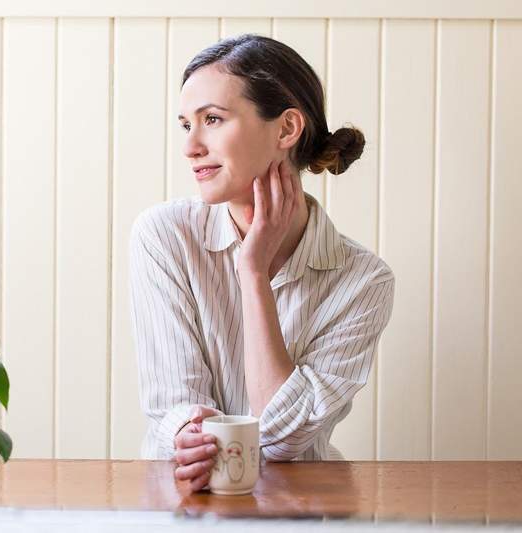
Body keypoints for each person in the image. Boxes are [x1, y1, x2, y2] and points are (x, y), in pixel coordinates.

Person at [128, 34, 395, 493]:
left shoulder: (363, 280)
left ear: (287, 129)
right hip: (182, 500)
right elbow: (173, 404)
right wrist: (186, 432)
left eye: (211, 119)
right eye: (185, 125)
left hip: (298, 506)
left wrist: (253, 272)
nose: (191, 146)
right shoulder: (164, 235)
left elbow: (285, 436)